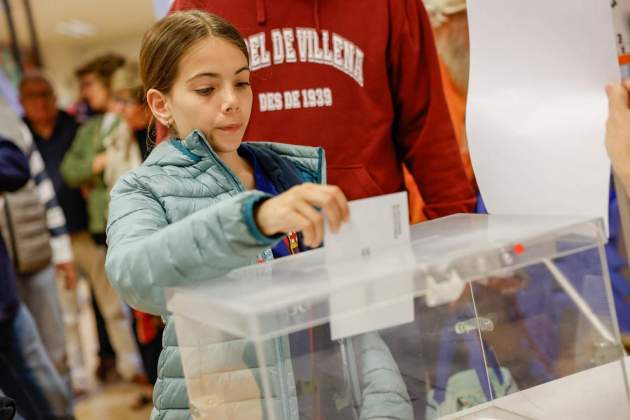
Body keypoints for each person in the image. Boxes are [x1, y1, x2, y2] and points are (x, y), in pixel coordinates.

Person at [106, 10, 412, 419]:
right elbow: (135, 275)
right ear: (161, 105)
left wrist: (385, 405)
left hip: (326, 402)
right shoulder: (143, 189)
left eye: (242, 82)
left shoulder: (289, 174)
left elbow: (351, 318)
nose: (232, 101)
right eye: (205, 89)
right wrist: (253, 220)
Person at [166, 0, 476, 223]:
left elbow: (428, 131)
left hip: (370, 242)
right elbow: (179, 159)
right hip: (253, 254)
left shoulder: (390, 6)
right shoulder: (197, 11)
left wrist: (461, 238)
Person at [61, 54, 144, 382]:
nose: (83, 92)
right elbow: (71, 170)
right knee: (118, 303)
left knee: (139, 302)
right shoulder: (92, 128)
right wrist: (97, 164)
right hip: (104, 225)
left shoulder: (137, 118)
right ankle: (133, 368)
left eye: (89, 84)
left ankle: (143, 369)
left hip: (138, 220)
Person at [19, 71, 91, 394]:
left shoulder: (73, 126)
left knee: (110, 307)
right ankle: (74, 377)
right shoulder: (19, 136)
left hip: (86, 230)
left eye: (45, 94)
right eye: (32, 96)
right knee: (67, 314)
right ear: (22, 102)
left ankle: (126, 366)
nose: (41, 103)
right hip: (45, 242)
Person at [0, 131, 74, 420]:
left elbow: (17, 165)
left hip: (10, 295)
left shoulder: (8, 126)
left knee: (47, 376)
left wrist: (61, 249)